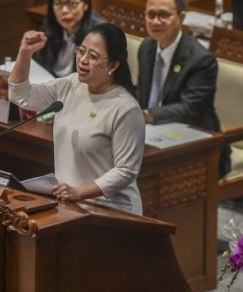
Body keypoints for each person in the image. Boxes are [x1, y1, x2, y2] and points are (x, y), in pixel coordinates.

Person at [9, 23, 145, 214]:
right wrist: (25, 53)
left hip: (110, 211)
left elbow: (126, 170)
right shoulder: (71, 85)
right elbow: (22, 96)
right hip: (70, 205)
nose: (82, 60)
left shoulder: (125, 108)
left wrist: (80, 192)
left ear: (112, 66)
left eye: (93, 56)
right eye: (81, 51)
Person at [137, 0, 231, 177]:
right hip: (152, 137)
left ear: (181, 17)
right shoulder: (147, 47)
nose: (155, 21)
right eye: (150, 14)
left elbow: (189, 109)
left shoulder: (200, 59)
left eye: (163, 15)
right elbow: (142, 93)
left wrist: (146, 115)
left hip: (197, 145)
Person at [33, 0, 106, 78]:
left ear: (85, 4)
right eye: (58, 3)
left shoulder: (100, 34)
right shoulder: (50, 24)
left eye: (72, 3)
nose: (64, 11)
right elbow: (41, 64)